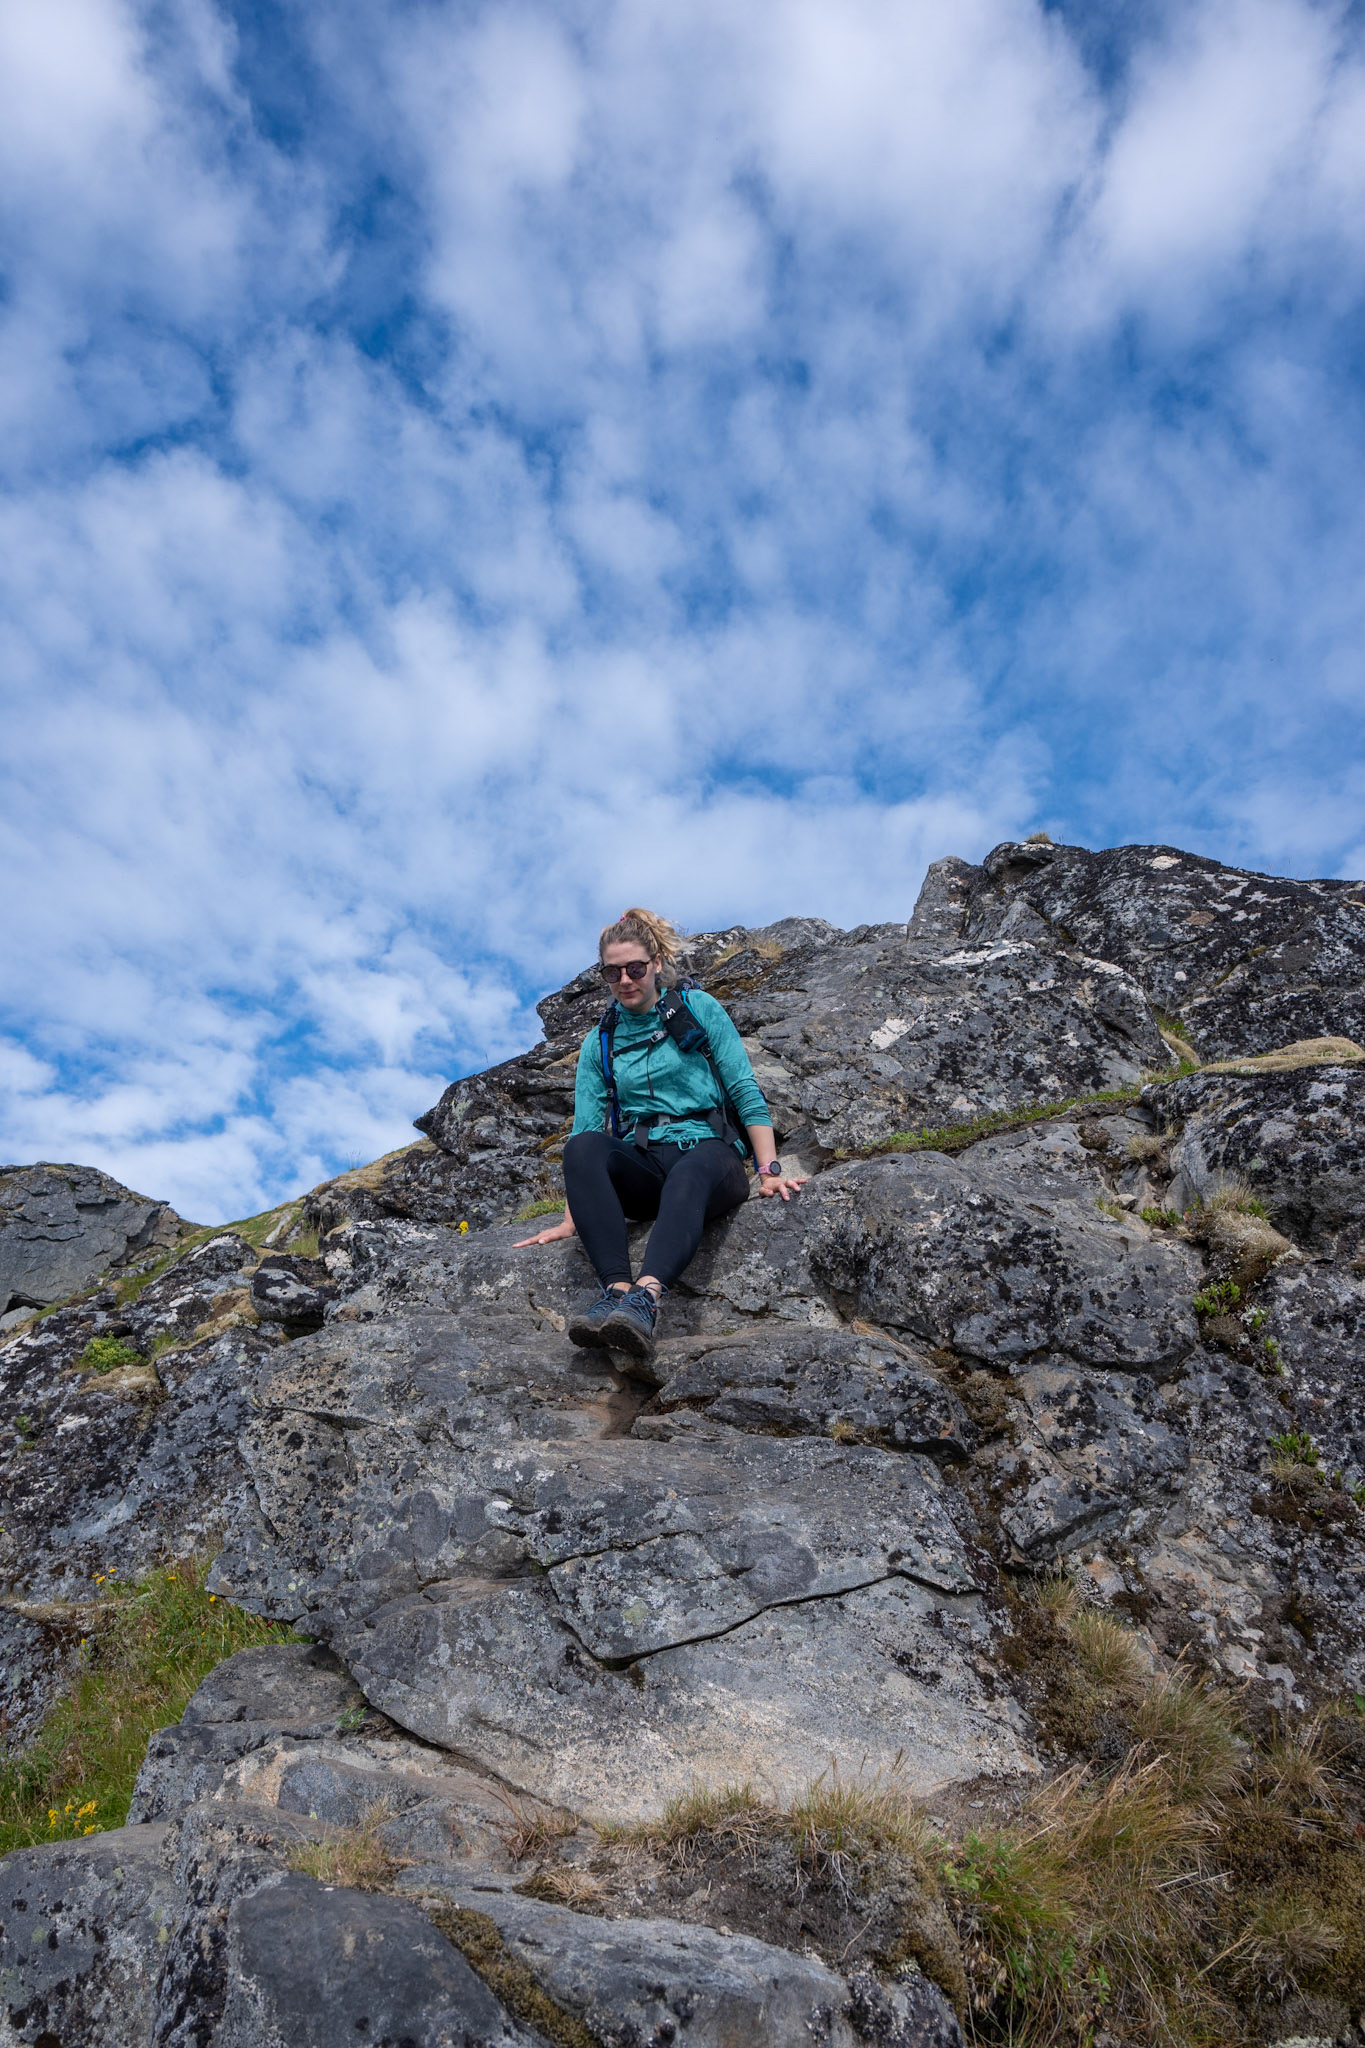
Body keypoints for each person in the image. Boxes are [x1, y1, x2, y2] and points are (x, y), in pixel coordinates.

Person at [514, 907, 805, 1365]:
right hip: (648, 1162)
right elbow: (586, 1129)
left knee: (690, 1172)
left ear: (656, 964)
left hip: (712, 1157)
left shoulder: (697, 1008)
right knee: (583, 1147)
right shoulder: (600, 1041)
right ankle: (617, 1294)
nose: (624, 980)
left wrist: (768, 1171)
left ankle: (646, 1299)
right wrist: (574, 1218)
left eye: (634, 968)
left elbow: (744, 1089)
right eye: (612, 972)